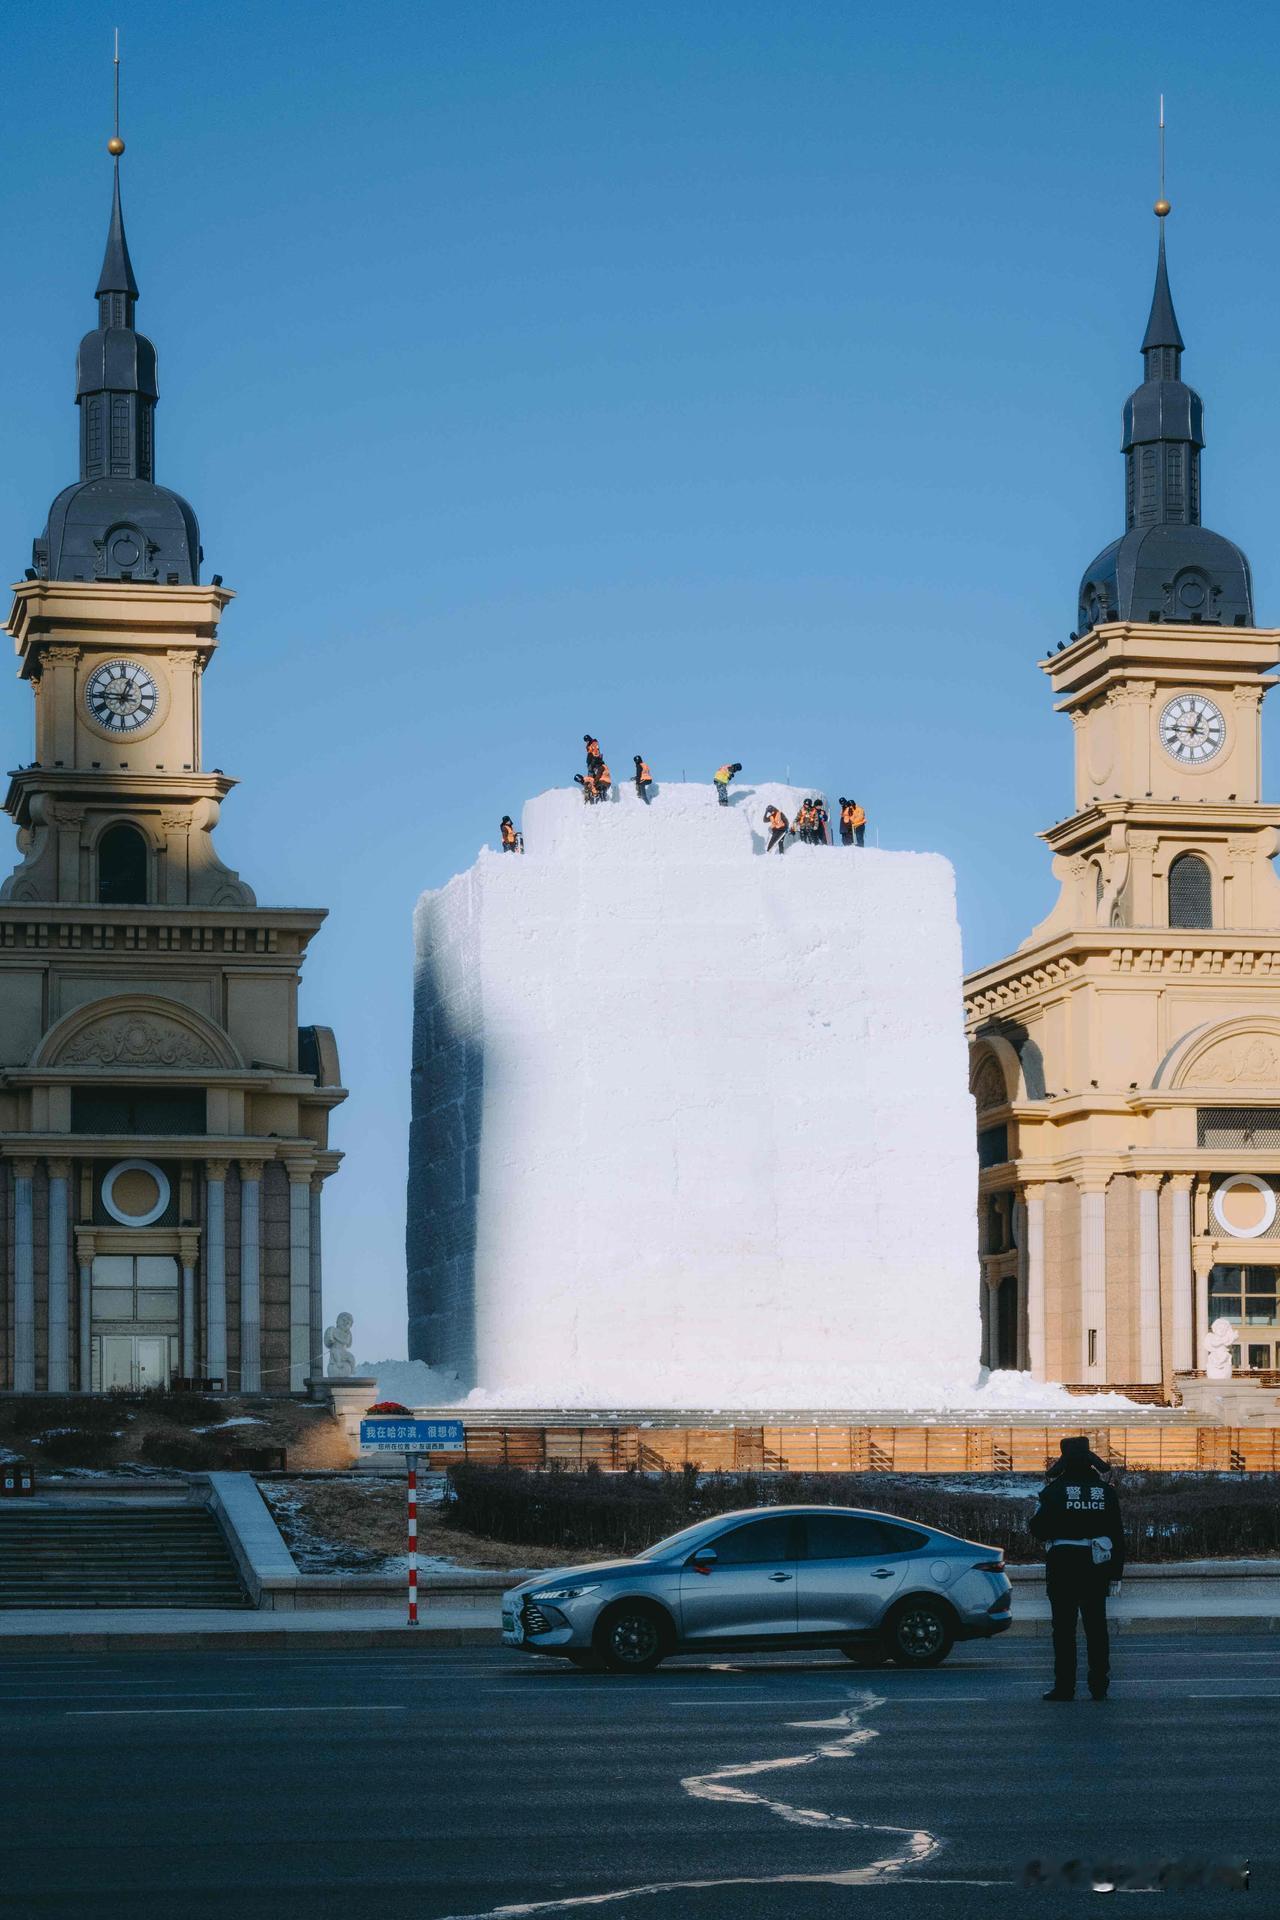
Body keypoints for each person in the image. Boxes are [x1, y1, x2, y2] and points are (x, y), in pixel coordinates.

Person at [1028, 1435, 1125, 1701]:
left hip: (1063, 1566)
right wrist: (1116, 1573)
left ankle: (1064, 1686)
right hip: (1096, 1566)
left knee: (1063, 1629)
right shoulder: (1105, 1493)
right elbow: (1118, 1535)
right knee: (1096, 1627)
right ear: (1090, 1462)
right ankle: (1099, 1685)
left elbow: (1037, 1529)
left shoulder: (1055, 1491)